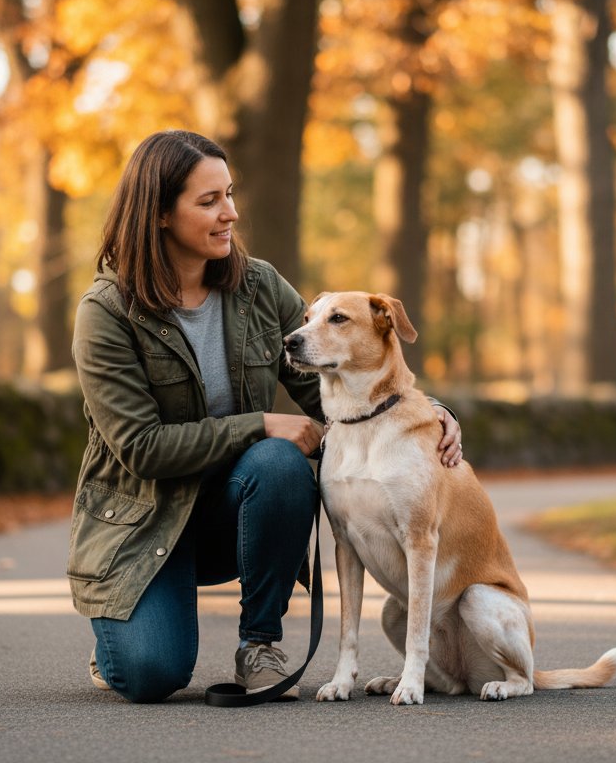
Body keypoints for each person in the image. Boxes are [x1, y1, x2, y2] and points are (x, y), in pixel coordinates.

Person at [68, 129, 463, 704]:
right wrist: (256, 423)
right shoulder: (106, 314)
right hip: (144, 527)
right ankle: (120, 639)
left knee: (281, 463)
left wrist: (431, 416)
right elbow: (141, 447)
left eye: (228, 194)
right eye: (208, 202)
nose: (230, 213)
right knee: (150, 674)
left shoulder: (257, 286)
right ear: (157, 214)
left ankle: (260, 643)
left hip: (237, 512)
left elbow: (341, 392)